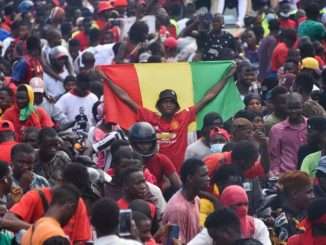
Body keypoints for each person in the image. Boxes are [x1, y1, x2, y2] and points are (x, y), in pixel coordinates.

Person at [100, 64, 236, 171]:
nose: (168, 105)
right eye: (165, 102)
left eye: (171, 102)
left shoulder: (184, 116)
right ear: (159, 106)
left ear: (176, 106)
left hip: (177, 171)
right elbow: (125, 98)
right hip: (153, 172)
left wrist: (226, 77)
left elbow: (208, 97)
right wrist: (105, 78)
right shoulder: (149, 117)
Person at [4, 163, 92, 244]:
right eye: (71, 190)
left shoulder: (77, 201)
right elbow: (7, 220)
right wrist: (40, 228)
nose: (73, 195)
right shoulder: (35, 195)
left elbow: (81, 240)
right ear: (61, 181)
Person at [189, 185, 271, 245]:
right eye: (238, 205)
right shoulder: (215, 229)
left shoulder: (257, 225)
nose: (243, 209)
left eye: (245, 204)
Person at [163, 158, 210, 243]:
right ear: (190, 178)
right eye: (203, 175)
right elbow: (174, 242)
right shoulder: (178, 209)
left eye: (207, 175)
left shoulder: (196, 199)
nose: (208, 178)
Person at [129, 122, 181, 192]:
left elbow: (178, 184)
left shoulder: (161, 159)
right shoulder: (128, 160)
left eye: (148, 143)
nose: (145, 147)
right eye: (141, 143)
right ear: (133, 143)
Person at [269, 92, 307, 175]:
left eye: (297, 107)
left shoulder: (311, 126)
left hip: (309, 174)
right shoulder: (277, 130)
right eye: (290, 108)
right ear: (285, 107)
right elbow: (274, 156)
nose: (293, 111)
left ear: (303, 106)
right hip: (287, 175)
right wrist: (276, 174)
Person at [272, 171, 315, 243]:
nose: (313, 196)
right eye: (309, 192)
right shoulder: (283, 222)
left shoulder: (310, 213)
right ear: (294, 194)